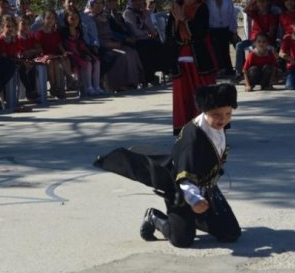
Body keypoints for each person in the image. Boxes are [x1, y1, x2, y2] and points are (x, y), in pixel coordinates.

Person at [94, 83, 241, 248]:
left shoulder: (216, 126)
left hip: (205, 187)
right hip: (180, 188)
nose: (223, 119)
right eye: (217, 114)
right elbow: (185, 179)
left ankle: (194, 218)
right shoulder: (192, 139)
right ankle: (156, 218)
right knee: (182, 240)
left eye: (228, 113)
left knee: (230, 233)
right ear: (205, 111)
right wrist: (194, 200)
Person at [165, 0, 217, 135]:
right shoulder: (175, 9)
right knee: (183, 95)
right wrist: (176, 21)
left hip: (199, 56)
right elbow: (169, 34)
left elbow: (201, 31)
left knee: (203, 92)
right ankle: (185, 129)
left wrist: (184, 20)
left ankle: (209, 129)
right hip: (181, 57)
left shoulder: (202, 8)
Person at [87, 0, 143, 92]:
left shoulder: (105, 17)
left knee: (131, 52)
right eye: (96, 3)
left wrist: (121, 40)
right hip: (101, 47)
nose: (99, 5)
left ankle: (132, 83)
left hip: (112, 43)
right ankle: (117, 85)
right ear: (91, 4)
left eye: (101, 3)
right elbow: (93, 38)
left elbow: (111, 33)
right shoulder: (90, 19)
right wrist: (109, 44)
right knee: (122, 55)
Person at [122, 0, 166, 85]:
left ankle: (162, 71)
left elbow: (152, 29)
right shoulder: (128, 13)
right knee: (145, 47)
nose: (138, 2)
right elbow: (135, 32)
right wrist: (147, 33)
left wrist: (146, 17)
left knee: (159, 45)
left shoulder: (144, 13)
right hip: (135, 41)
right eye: (135, 0)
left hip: (146, 39)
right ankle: (148, 77)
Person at [61, 8, 103, 96]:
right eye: (72, 18)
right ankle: (89, 87)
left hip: (80, 52)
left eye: (76, 18)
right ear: (66, 19)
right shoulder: (64, 31)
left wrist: (89, 53)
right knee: (87, 63)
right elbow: (68, 46)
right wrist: (82, 55)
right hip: (71, 55)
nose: (75, 21)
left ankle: (97, 86)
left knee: (96, 61)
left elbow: (82, 44)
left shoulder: (79, 30)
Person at [34, 9, 72, 99]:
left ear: (55, 21)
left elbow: (59, 45)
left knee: (62, 60)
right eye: (48, 18)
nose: (50, 20)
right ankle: (54, 86)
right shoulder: (39, 33)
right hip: (43, 57)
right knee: (51, 62)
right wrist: (46, 55)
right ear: (43, 20)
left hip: (54, 56)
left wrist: (64, 52)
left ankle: (59, 86)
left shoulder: (55, 33)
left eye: (52, 18)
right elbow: (39, 50)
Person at [206, 0, 238, 76]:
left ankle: (236, 68)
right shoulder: (208, 3)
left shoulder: (228, 1)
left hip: (226, 29)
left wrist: (233, 31)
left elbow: (232, 16)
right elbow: (208, 18)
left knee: (232, 45)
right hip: (213, 30)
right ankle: (220, 68)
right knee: (217, 47)